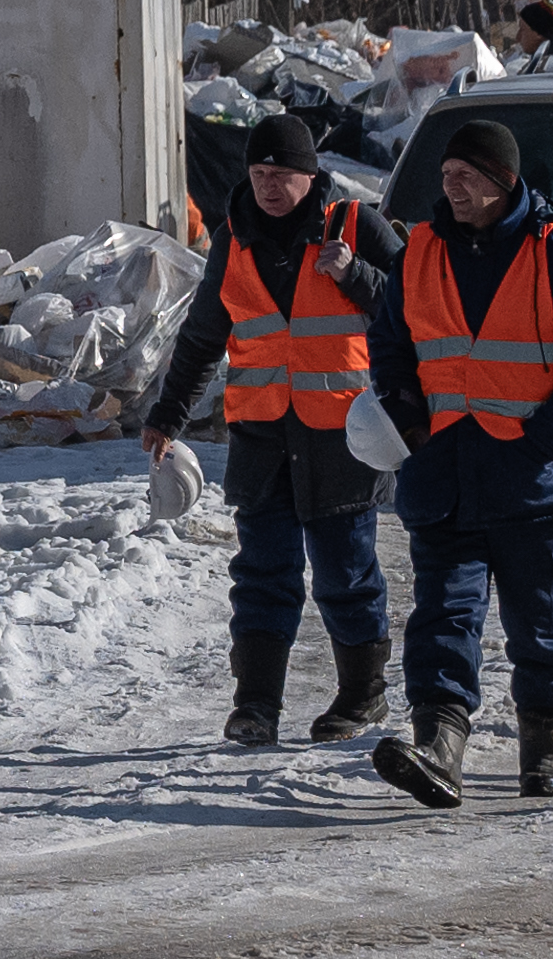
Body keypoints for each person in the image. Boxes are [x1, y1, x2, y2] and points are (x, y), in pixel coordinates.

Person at [359, 109, 553, 804]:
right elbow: (390, 345)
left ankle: (544, 748)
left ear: (503, 180)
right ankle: (439, 746)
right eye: (446, 174)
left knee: (543, 624)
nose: (452, 186)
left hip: (532, 481)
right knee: (442, 616)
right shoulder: (419, 252)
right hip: (442, 475)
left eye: (467, 175)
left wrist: (546, 439)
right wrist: (406, 415)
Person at [147, 109, 400, 746]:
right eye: (258, 173)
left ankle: (362, 695)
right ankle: (256, 705)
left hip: (342, 437)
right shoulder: (233, 238)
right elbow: (203, 335)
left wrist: (355, 274)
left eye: (281, 173)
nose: (267, 185)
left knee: (345, 572)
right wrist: (168, 415)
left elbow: (413, 309)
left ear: (310, 175)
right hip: (261, 436)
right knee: (263, 572)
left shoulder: (355, 224)